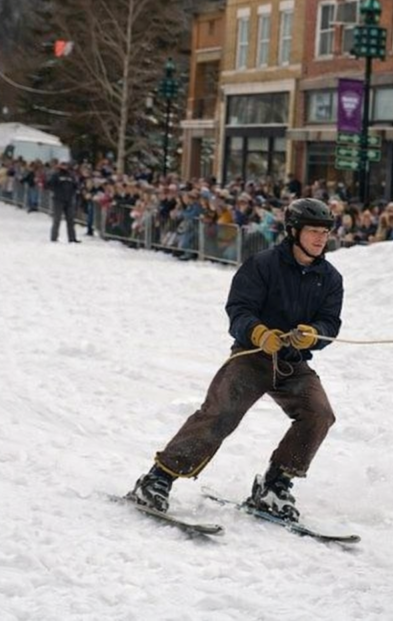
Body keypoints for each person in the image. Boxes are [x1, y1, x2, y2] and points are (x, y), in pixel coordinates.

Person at [127, 198, 343, 521]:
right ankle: (159, 478)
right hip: (252, 356)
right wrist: (258, 334)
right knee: (220, 413)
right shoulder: (262, 265)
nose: (320, 239)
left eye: (325, 233)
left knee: (319, 414)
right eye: (313, 231)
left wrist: (314, 333)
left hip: (292, 362)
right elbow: (238, 310)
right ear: (294, 231)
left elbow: (330, 323)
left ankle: (274, 486)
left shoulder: (330, 278)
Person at [48, 161, 80, 243]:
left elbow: (75, 185)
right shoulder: (56, 175)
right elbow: (50, 184)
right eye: (63, 165)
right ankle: (54, 237)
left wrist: (74, 191)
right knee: (57, 219)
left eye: (66, 165)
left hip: (69, 200)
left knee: (71, 220)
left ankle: (72, 238)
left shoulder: (71, 175)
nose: (64, 166)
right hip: (58, 199)